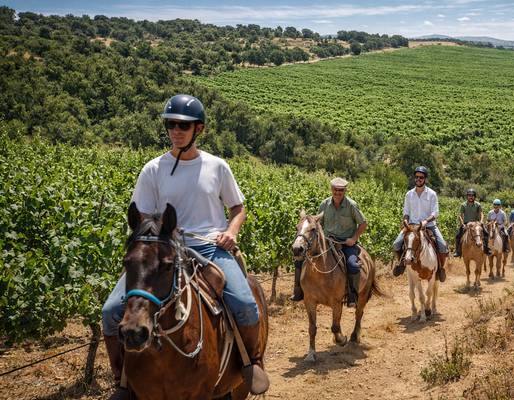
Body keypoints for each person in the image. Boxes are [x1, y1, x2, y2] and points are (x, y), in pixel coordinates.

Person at [101, 94, 269, 399]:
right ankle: (123, 379)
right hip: (163, 252)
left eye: (184, 125)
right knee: (111, 310)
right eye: (171, 124)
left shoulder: (217, 167)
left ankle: (250, 362)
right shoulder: (153, 169)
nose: (176, 130)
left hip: (208, 247)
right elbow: (142, 219)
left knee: (245, 303)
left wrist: (231, 232)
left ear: (198, 129)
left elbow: (238, 208)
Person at [291, 177, 367, 307]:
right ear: (331, 189)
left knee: (352, 265)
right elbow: (318, 224)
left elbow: (363, 224)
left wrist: (353, 239)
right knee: (300, 260)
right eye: (335, 190)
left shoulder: (351, 205)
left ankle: (351, 295)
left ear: (345, 191)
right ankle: (298, 291)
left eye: (341, 190)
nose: (338, 193)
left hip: (346, 243)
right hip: (328, 241)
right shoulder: (324, 204)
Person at [391, 166, 449, 282]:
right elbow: (406, 212)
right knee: (396, 244)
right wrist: (406, 220)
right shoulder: (409, 194)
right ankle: (401, 264)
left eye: (421, 177)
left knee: (442, 245)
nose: (418, 179)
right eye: (416, 177)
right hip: (411, 226)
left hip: (429, 225)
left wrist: (426, 221)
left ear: (425, 179)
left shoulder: (432, 194)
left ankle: (440, 269)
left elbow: (435, 212)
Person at [453, 188, 491, 257]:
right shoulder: (463, 205)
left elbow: (481, 213)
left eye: (472, 195)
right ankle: (458, 251)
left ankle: (486, 249)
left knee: (486, 233)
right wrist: (463, 224)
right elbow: (460, 216)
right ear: (467, 196)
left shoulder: (478, 205)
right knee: (458, 235)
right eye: (469, 195)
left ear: (474, 196)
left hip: (476, 223)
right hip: (467, 223)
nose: (471, 197)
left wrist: (481, 221)